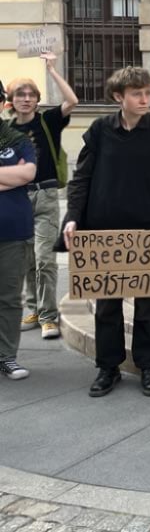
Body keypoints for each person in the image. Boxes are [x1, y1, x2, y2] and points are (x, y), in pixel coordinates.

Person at [61, 67, 150, 397]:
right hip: (104, 228)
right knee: (106, 304)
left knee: (149, 303)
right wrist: (72, 218)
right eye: (137, 93)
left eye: (147, 92)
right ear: (119, 97)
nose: (145, 99)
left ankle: (149, 365)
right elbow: (81, 179)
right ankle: (108, 367)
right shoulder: (99, 131)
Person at [9, 53, 79, 340]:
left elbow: (72, 100)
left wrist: (51, 69)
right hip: (17, 199)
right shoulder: (7, 130)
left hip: (46, 195)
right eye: (20, 94)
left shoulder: (48, 120)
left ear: (37, 99)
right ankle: (34, 309)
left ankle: (49, 317)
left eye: (31, 95)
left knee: (45, 258)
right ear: (11, 100)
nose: (26, 99)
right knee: (27, 259)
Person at [0, 118, 36, 381]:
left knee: (9, 298)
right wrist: (11, 176)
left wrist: (20, 176)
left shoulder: (18, 139)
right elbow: (18, 176)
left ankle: (6, 356)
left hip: (13, 230)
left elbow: (28, 174)